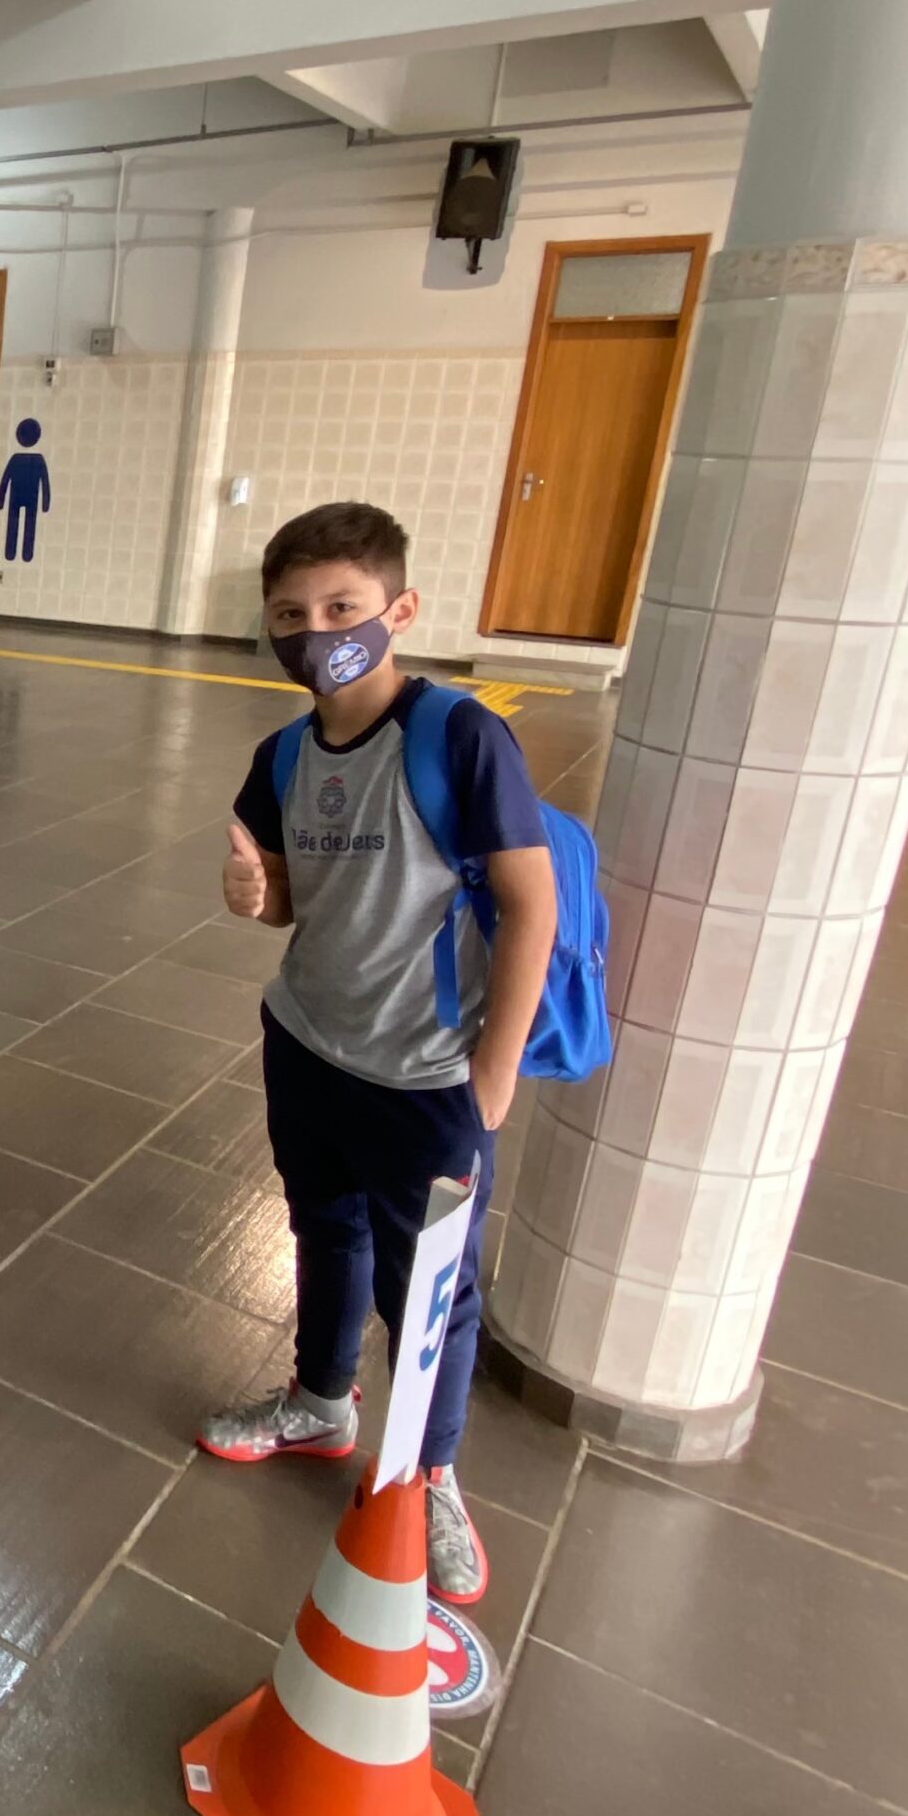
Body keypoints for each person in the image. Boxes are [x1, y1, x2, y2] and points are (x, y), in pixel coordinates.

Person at [198, 503, 555, 1605]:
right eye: (290, 616)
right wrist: (254, 897)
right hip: (310, 1041)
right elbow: (287, 903)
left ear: (399, 612)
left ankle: (428, 1475)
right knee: (324, 1226)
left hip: (428, 1075)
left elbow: (530, 903)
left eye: (342, 608)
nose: (317, 634)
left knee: (432, 1286)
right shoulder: (282, 756)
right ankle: (320, 1401)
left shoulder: (458, 737)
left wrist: (492, 1073)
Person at [0, 417, 52, 563]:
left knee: (22, 525)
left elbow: (5, 480)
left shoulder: (19, 459)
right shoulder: (36, 460)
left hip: (19, 496)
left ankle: (17, 553)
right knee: (22, 525)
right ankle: (20, 553)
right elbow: (45, 482)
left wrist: (1, 500)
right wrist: (45, 503)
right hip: (28, 497)